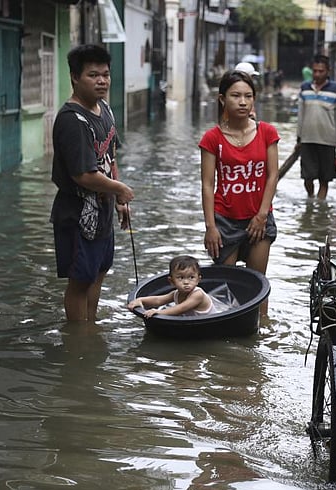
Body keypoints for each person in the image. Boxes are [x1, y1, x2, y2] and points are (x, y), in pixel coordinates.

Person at [49, 44, 134, 322]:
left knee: (98, 273)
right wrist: (119, 189)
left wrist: (118, 198)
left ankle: (90, 328)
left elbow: (111, 157)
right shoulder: (72, 120)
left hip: (103, 211)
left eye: (105, 75)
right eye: (93, 75)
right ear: (75, 77)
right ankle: (78, 338)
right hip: (77, 215)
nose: (101, 81)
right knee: (80, 281)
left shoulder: (105, 109)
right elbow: (82, 175)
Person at [199, 70, 280, 292]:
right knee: (225, 288)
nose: (242, 102)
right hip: (224, 220)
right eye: (235, 96)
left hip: (259, 217)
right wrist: (210, 227)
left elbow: (273, 175)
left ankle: (262, 326)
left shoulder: (267, 132)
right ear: (223, 99)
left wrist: (262, 215)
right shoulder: (212, 138)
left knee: (258, 285)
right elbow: (207, 185)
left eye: (248, 96)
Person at [296, 54, 336, 200]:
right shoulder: (305, 88)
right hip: (307, 139)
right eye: (315, 71)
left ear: (328, 71)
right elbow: (300, 115)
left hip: (327, 140)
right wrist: (298, 138)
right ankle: (311, 198)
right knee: (307, 176)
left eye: (321, 71)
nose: (317, 74)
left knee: (324, 178)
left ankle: (320, 205)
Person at [127, 256, 219, 317]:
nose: (186, 282)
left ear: (198, 280)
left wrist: (159, 312)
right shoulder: (176, 294)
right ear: (172, 281)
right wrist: (141, 300)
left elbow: (181, 308)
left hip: (211, 323)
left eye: (191, 277)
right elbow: (158, 300)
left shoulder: (198, 294)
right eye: (181, 278)